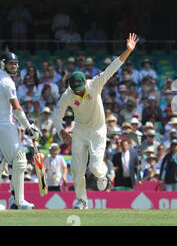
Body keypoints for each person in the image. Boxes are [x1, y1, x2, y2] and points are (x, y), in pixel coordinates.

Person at [52, 33, 139, 209]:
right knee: (77, 169)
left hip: (98, 130)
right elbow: (57, 114)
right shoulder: (68, 94)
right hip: (80, 131)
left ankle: (103, 175)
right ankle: (81, 200)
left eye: (80, 88)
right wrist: (61, 130)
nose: (78, 92)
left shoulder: (95, 84)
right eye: (75, 89)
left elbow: (112, 68)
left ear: (85, 82)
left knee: (95, 167)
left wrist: (128, 51)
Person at [0, 52, 40, 209]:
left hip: (4, 123)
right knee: (19, 159)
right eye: (10, 63)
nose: (14, 66)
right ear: (3, 64)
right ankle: (18, 201)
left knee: (2, 161)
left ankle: (14, 199)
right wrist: (28, 126)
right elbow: (16, 107)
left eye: (15, 64)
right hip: (4, 124)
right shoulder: (6, 81)